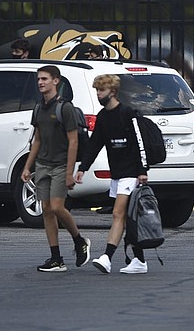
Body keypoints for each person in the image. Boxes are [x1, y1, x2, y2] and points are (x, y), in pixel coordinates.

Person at [76, 74, 150, 274]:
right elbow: (94, 144)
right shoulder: (103, 117)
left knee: (118, 214)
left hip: (131, 173)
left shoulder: (128, 114)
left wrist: (142, 171)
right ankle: (140, 261)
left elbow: (139, 143)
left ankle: (107, 257)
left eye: (102, 90)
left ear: (113, 92)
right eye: (97, 90)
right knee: (126, 218)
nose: (98, 94)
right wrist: (83, 167)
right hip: (117, 174)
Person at [20, 65, 90, 272]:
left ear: (56, 81)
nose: (41, 82)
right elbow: (37, 140)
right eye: (39, 79)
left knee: (58, 207)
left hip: (60, 165)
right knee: (47, 211)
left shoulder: (64, 108)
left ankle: (79, 241)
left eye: (45, 79)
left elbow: (74, 142)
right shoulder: (38, 108)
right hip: (42, 165)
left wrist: (69, 172)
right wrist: (27, 167)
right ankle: (56, 258)